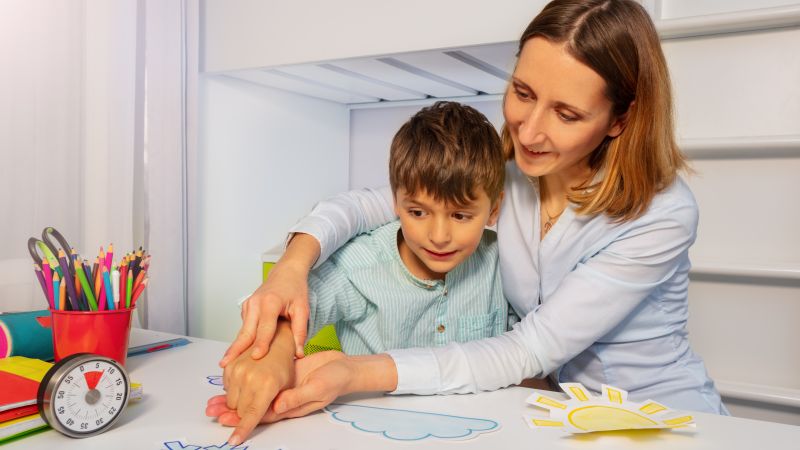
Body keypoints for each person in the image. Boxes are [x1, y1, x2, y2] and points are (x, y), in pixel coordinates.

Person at [213, 0, 729, 445]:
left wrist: (354, 372)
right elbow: (374, 204)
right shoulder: (508, 177)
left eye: (566, 114)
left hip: (659, 416)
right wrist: (292, 268)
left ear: (620, 119)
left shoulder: (663, 213)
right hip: (553, 414)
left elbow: (529, 348)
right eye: (523, 93)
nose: (529, 130)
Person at [208, 101, 525, 443]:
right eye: (418, 212)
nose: (438, 235)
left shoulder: (502, 264)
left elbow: (521, 354)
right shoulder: (362, 264)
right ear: (394, 203)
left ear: (493, 210)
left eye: (460, 216)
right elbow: (297, 303)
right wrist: (276, 354)